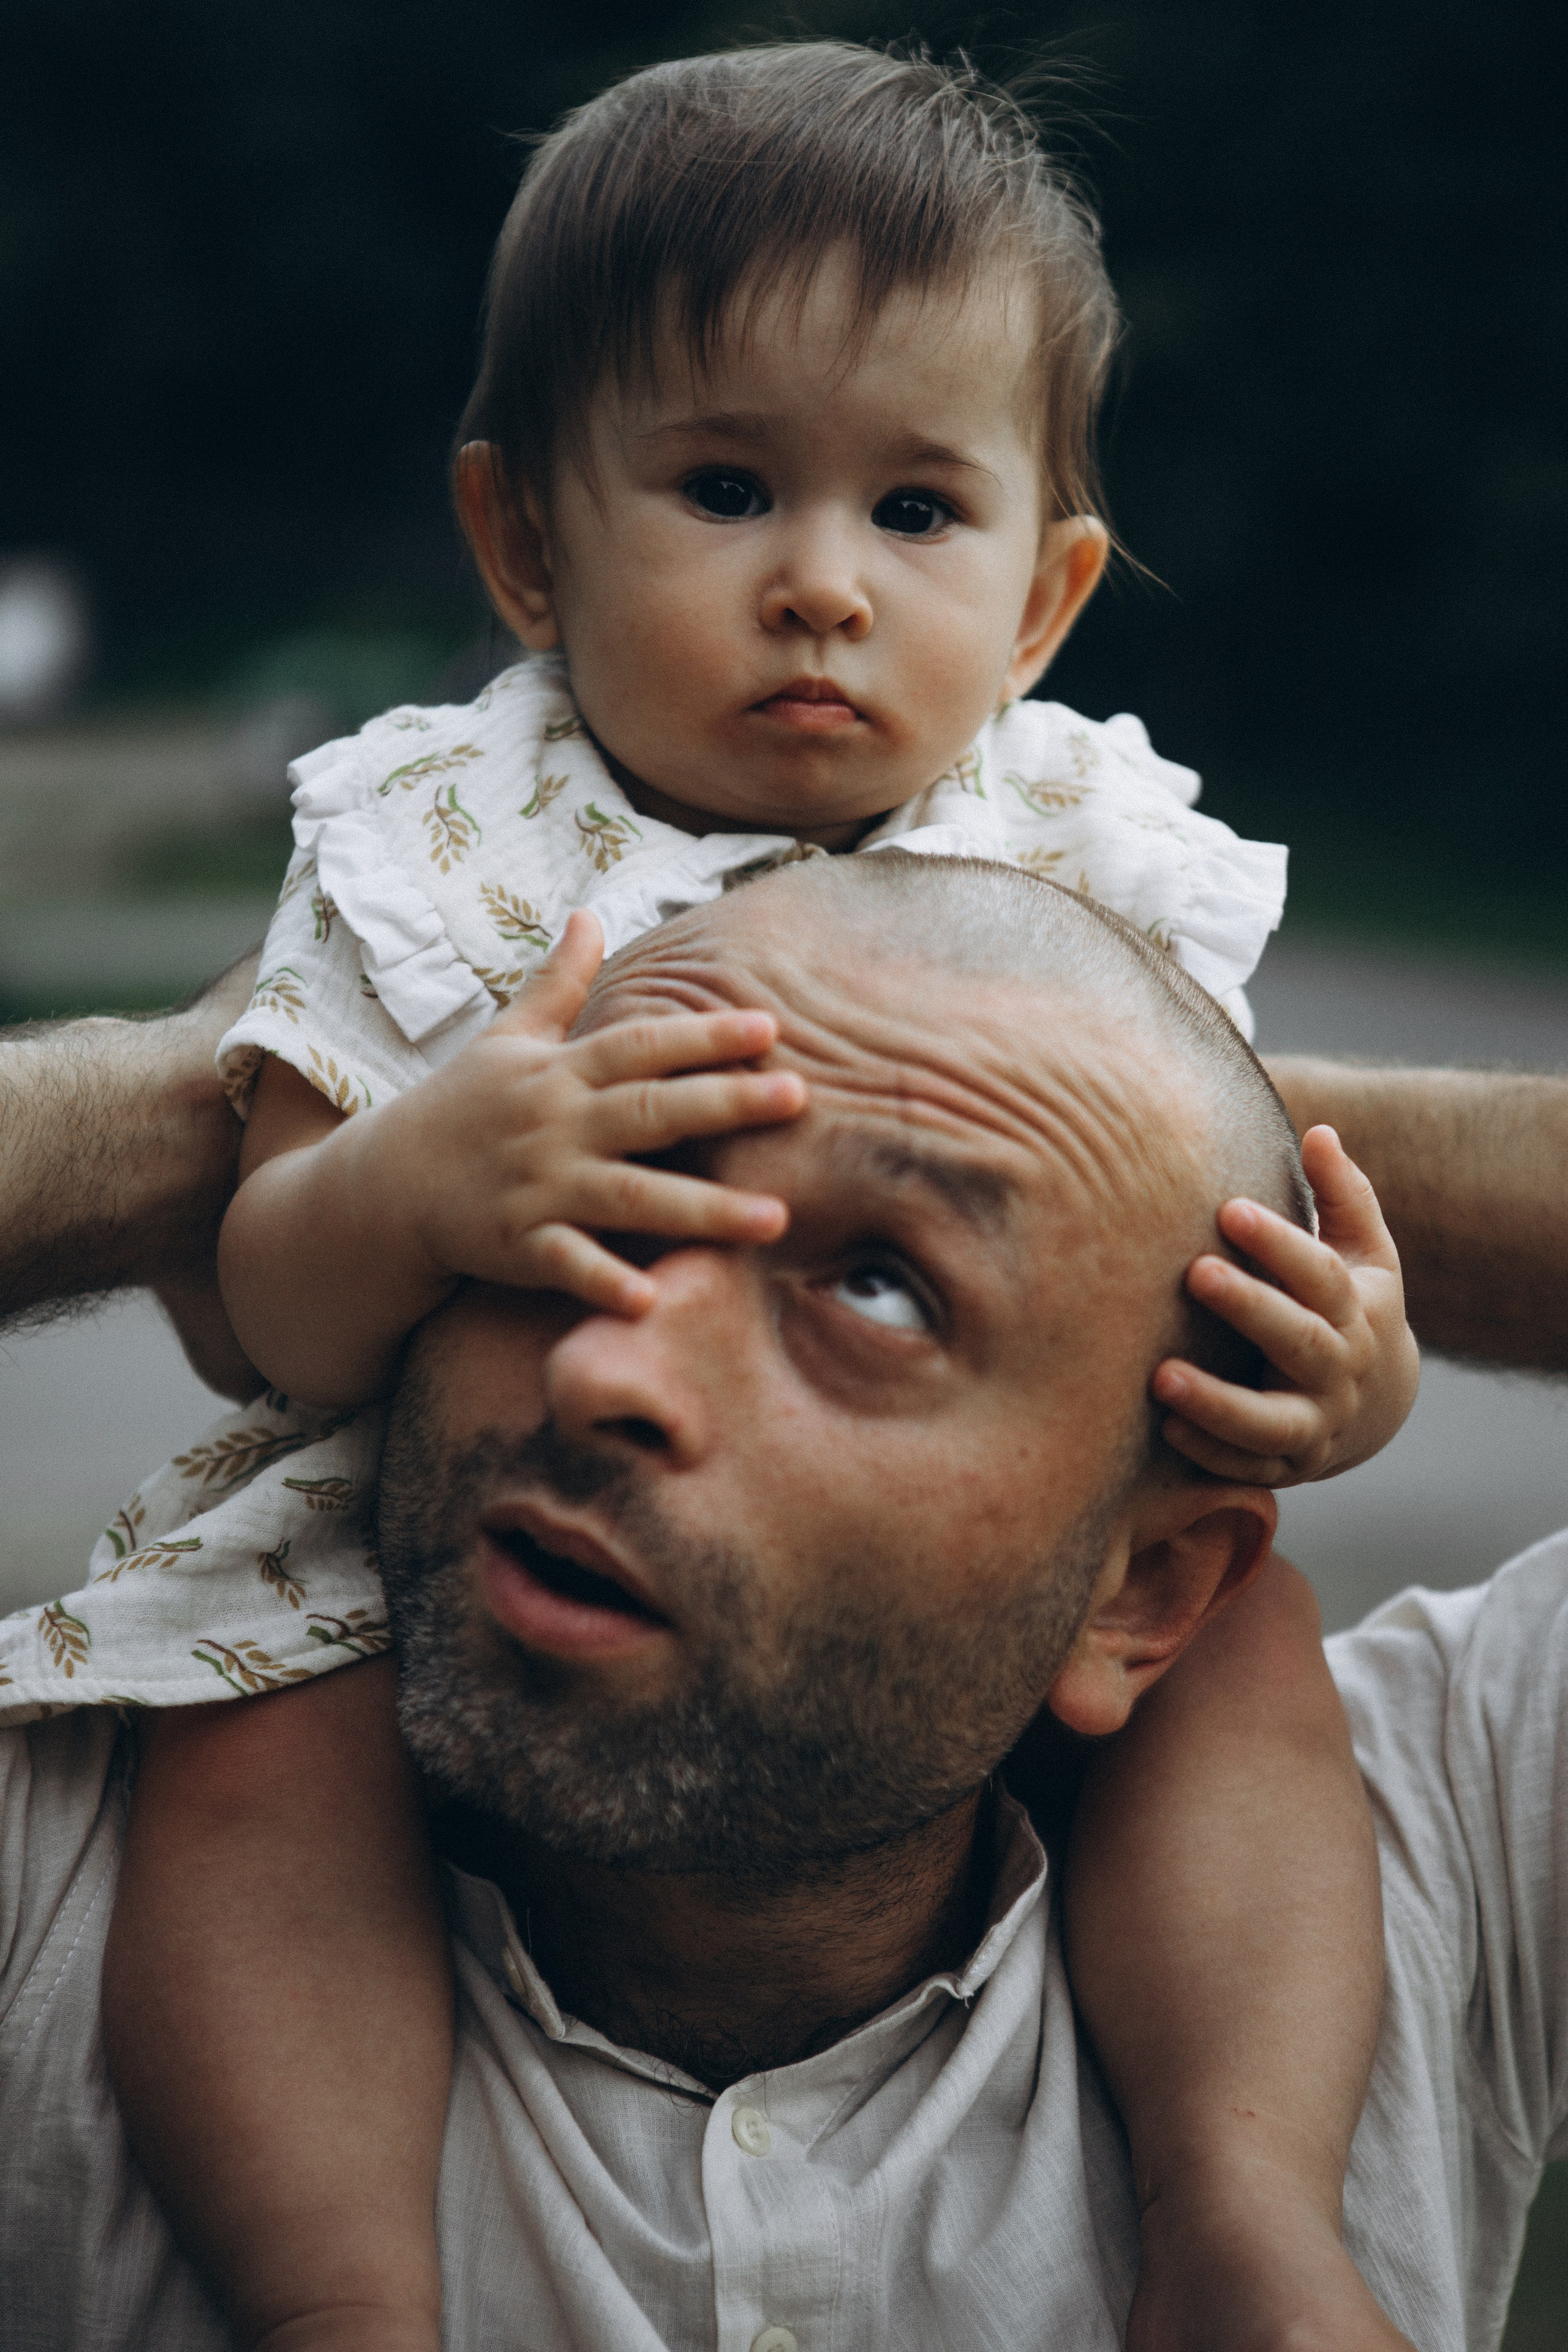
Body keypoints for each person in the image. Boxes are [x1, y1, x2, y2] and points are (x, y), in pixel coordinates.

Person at [0, 44, 1425, 2352]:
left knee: (1235, 1650)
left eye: (918, 511)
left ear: (1046, 597)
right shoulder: (446, 848)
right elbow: (268, 1309)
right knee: (252, 1742)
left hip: (944, 1567)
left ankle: (1245, 2206)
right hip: (410, 1506)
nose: (821, 589)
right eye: (731, 488)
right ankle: (342, 2292)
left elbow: (1209, 1259)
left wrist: (1335, 1377)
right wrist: (422, 1182)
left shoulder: (1088, 859)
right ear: (525, 545)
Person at [3, 854, 1567, 2352]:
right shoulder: (62, 1899)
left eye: (879, 1286)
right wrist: (298, 1081)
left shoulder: (1422, 1859)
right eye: (590, 1193)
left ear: (1140, 1592)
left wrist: (1208, 1144)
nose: (605, 1365)